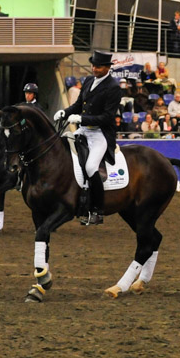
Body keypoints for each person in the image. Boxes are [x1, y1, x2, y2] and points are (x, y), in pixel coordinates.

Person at [53, 50, 120, 226]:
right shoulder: (89, 80)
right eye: (93, 65)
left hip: (100, 134)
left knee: (91, 167)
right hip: (83, 130)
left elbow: (107, 117)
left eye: (98, 66)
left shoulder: (113, 87)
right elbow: (77, 105)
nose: (94, 69)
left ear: (107, 68)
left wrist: (82, 119)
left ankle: (97, 210)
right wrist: (65, 112)